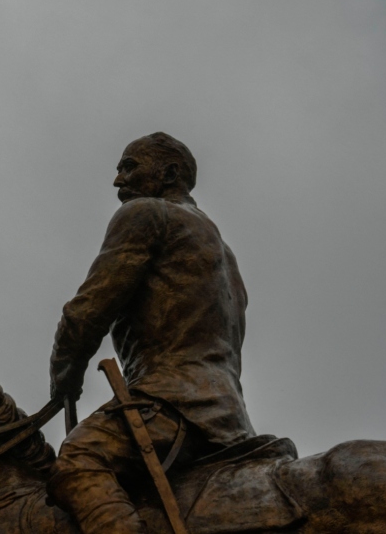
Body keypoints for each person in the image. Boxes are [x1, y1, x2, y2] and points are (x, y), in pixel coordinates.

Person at [46, 132, 256, 533]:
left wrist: (64, 378)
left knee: (78, 461)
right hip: (229, 418)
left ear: (169, 173)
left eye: (129, 167)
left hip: (172, 403)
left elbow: (88, 311)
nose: (118, 180)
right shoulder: (221, 249)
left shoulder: (147, 214)